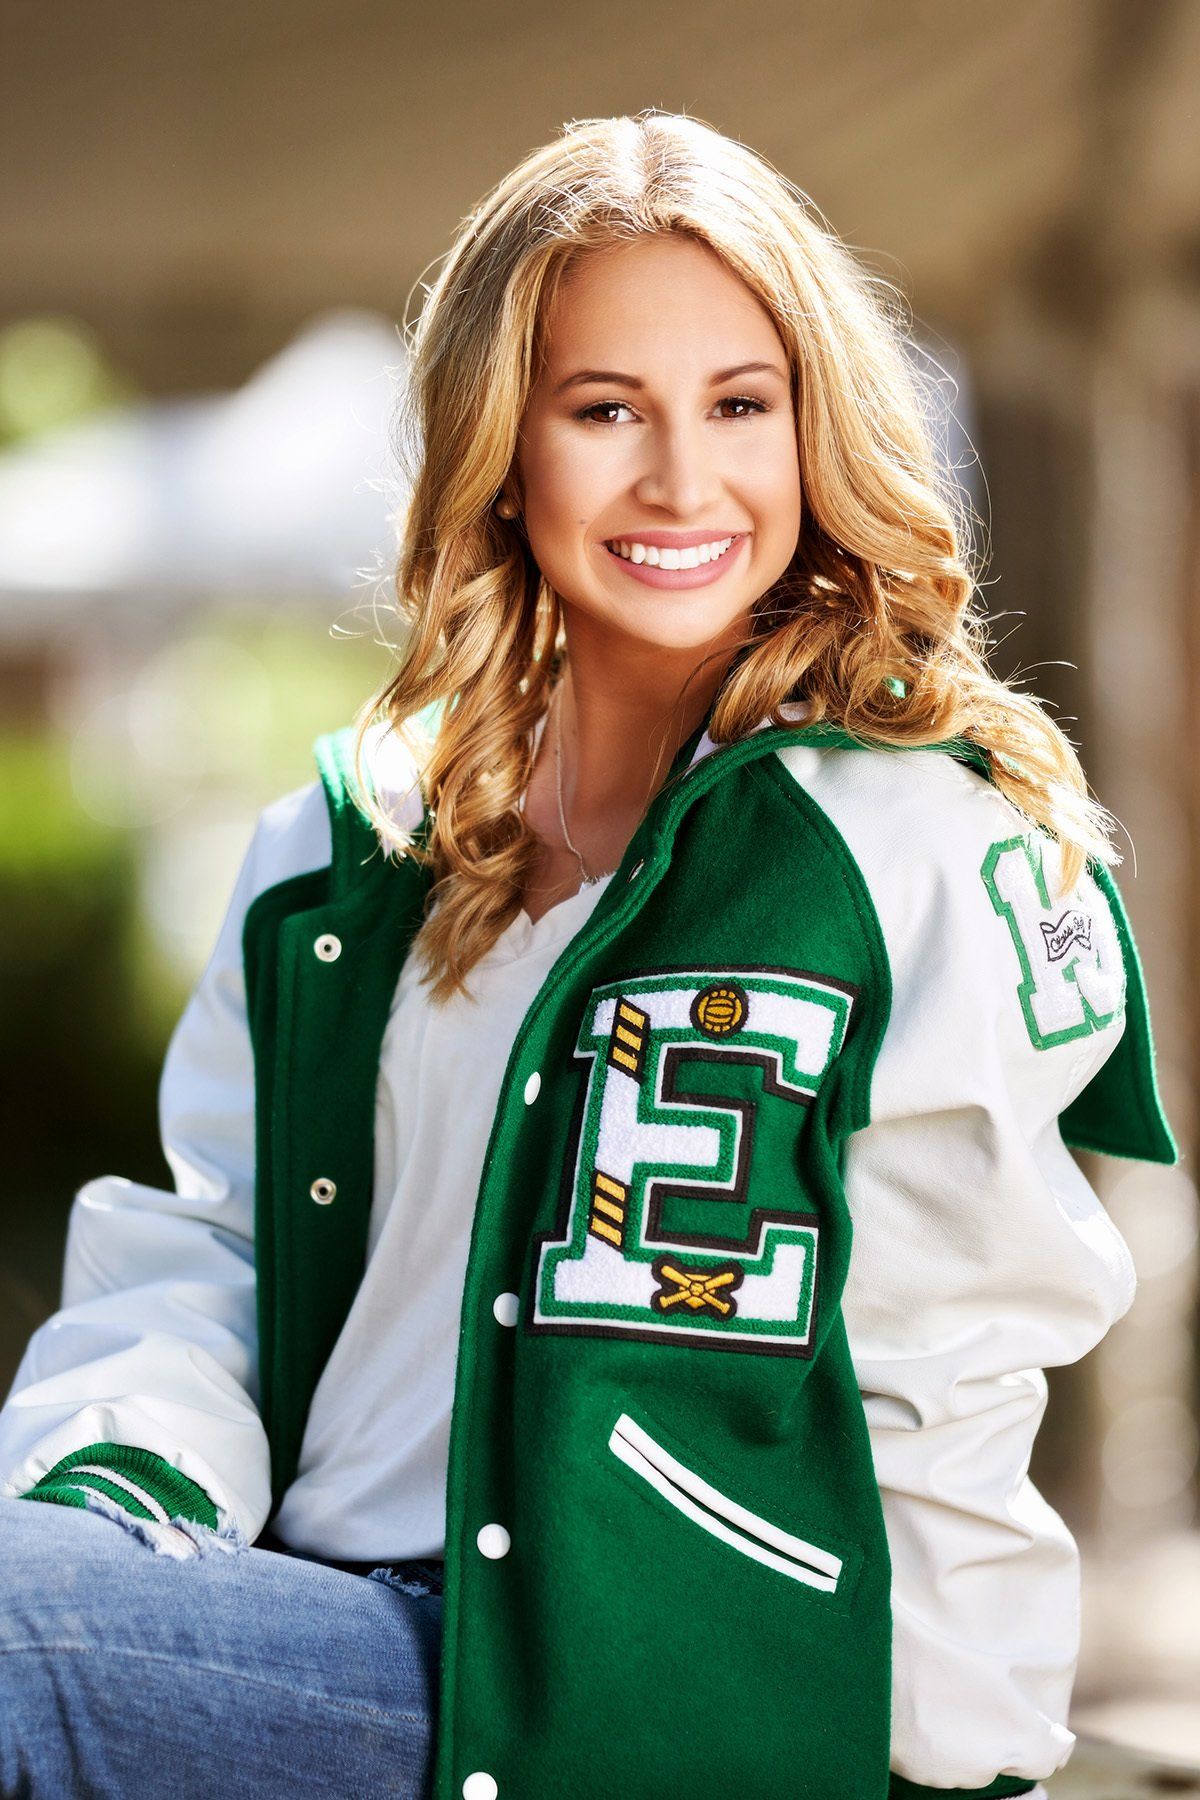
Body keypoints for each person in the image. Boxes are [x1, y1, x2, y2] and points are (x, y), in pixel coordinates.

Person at [0, 109, 1177, 1800]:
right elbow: (211, 1256)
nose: (682, 482)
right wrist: (122, 1494)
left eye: (740, 407)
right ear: (505, 444)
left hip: (669, 1693)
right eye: (607, 409)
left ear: (816, 429)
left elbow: (950, 1361)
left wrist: (953, 1767)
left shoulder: (923, 844)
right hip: (321, 1629)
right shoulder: (338, 854)